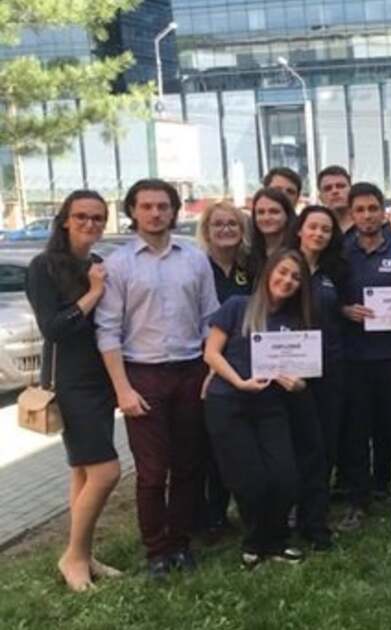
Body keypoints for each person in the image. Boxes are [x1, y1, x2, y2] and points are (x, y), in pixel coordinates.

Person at [96, 179, 220, 578]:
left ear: (174, 211)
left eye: (163, 206)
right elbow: (107, 330)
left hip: (189, 371)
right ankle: (156, 551)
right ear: (132, 211)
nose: (155, 213)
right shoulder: (119, 264)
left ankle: (180, 544)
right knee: (151, 471)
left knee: (188, 465)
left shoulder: (195, 259)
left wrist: (210, 372)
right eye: (146, 206)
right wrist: (122, 389)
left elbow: (210, 318)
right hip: (143, 375)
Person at [26, 190, 121, 592]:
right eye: (81, 216)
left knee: (83, 471)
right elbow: (53, 328)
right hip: (70, 383)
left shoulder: (96, 263)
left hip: (101, 380)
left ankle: (83, 553)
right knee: (106, 471)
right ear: (65, 219)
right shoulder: (43, 266)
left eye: (98, 217)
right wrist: (94, 294)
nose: (90, 223)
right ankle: (73, 557)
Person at [202, 249, 313, 569]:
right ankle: (255, 543)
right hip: (228, 403)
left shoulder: (295, 321)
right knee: (250, 482)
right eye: (282, 272)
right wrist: (239, 382)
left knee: (285, 477)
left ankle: (277, 541)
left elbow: (302, 374)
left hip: (270, 405)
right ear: (268, 273)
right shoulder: (237, 306)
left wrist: (298, 384)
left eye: (295, 277)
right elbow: (211, 353)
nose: (287, 281)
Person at [337, 182, 391, 534]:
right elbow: (330, 302)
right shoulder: (341, 257)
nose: (367, 216)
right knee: (356, 434)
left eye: (373, 208)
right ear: (351, 214)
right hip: (354, 359)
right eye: (360, 210)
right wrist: (345, 311)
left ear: (383, 212)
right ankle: (358, 503)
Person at [194, 202, 253, 537]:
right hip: (205, 363)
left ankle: (242, 509)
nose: (226, 229)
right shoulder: (197, 267)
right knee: (209, 445)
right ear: (206, 230)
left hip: (242, 365)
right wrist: (211, 365)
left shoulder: (250, 269)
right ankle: (211, 515)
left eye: (232, 223)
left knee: (236, 443)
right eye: (218, 224)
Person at [289, 205, 347, 549]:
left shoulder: (334, 271)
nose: (319, 234)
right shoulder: (284, 266)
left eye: (325, 229)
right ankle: (290, 513)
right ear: (300, 229)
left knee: (324, 446)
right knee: (295, 445)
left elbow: (340, 309)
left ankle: (316, 520)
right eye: (313, 227)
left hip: (330, 369)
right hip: (291, 369)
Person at [247, 187, 297, 276]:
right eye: (261, 212)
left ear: (287, 215)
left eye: (274, 212)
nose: (266, 218)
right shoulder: (248, 255)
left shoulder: (299, 251)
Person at [317, 165, 353, 233]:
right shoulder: (318, 232)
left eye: (340, 186)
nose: (334, 191)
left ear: (351, 190)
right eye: (328, 188)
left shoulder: (367, 224)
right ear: (321, 198)